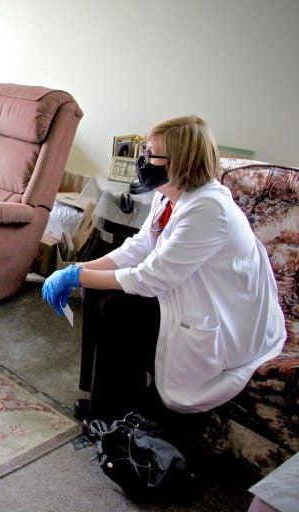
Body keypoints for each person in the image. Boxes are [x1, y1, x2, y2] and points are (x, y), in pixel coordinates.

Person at [42, 115, 286, 429]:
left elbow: (150, 277)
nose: (143, 161)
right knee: (97, 289)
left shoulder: (208, 209)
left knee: (118, 309)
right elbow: (140, 246)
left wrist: (75, 276)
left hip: (226, 313)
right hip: (183, 284)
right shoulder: (166, 193)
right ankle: (104, 394)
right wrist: (80, 268)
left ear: (181, 162)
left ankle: (114, 412)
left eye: (151, 155)